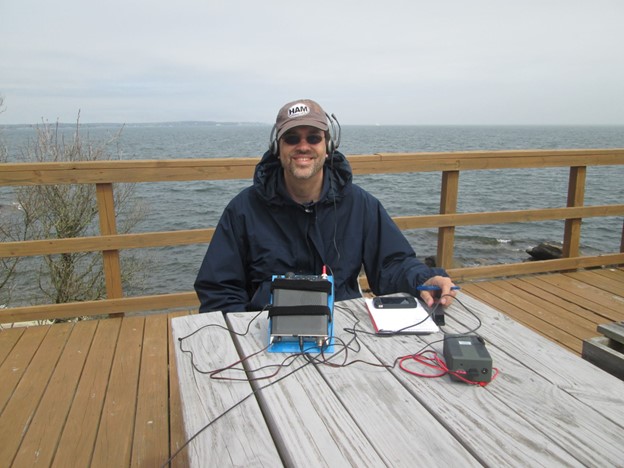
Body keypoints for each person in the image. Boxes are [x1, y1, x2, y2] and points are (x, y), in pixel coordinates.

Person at [195, 99, 457, 313]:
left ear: (328, 146)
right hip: (265, 332)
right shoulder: (243, 209)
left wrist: (423, 279)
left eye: (313, 138)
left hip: (344, 331)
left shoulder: (360, 204)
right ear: (278, 147)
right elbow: (219, 289)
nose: (303, 146)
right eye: (292, 138)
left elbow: (392, 263)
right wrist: (242, 336)